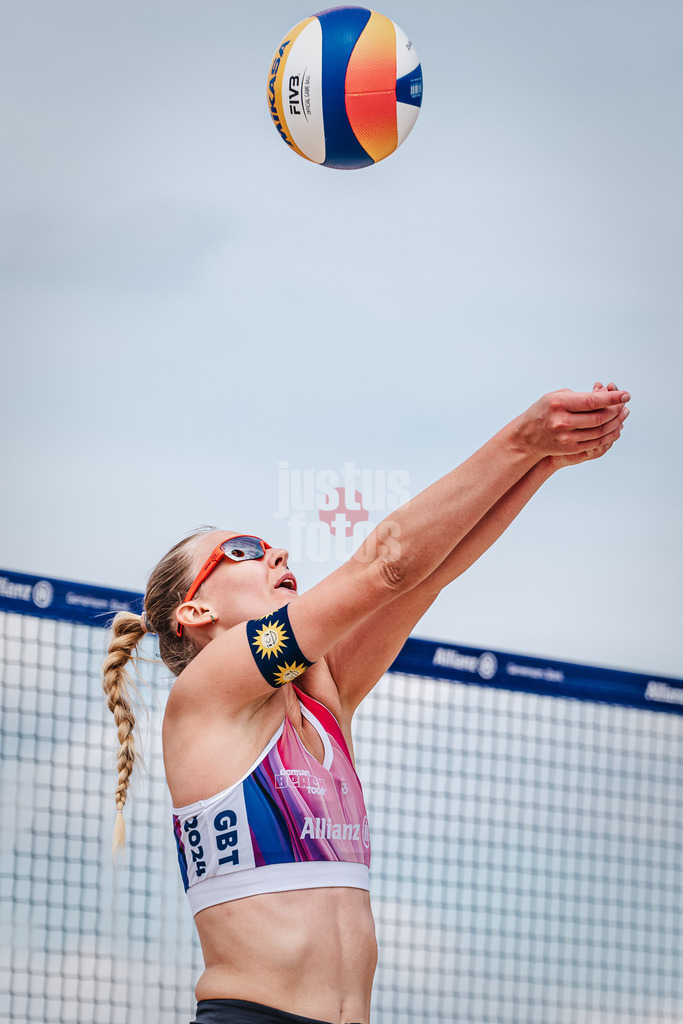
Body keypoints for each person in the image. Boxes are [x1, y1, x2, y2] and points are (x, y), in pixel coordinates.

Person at [102, 382, 630, 1024]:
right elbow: (385, 565)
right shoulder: (208, 688)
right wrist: (521, 437)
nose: (276, 554)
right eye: (242, 552)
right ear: (196, 610)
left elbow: (431, 572)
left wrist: (547, 461)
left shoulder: (323, 692)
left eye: (271, 546)